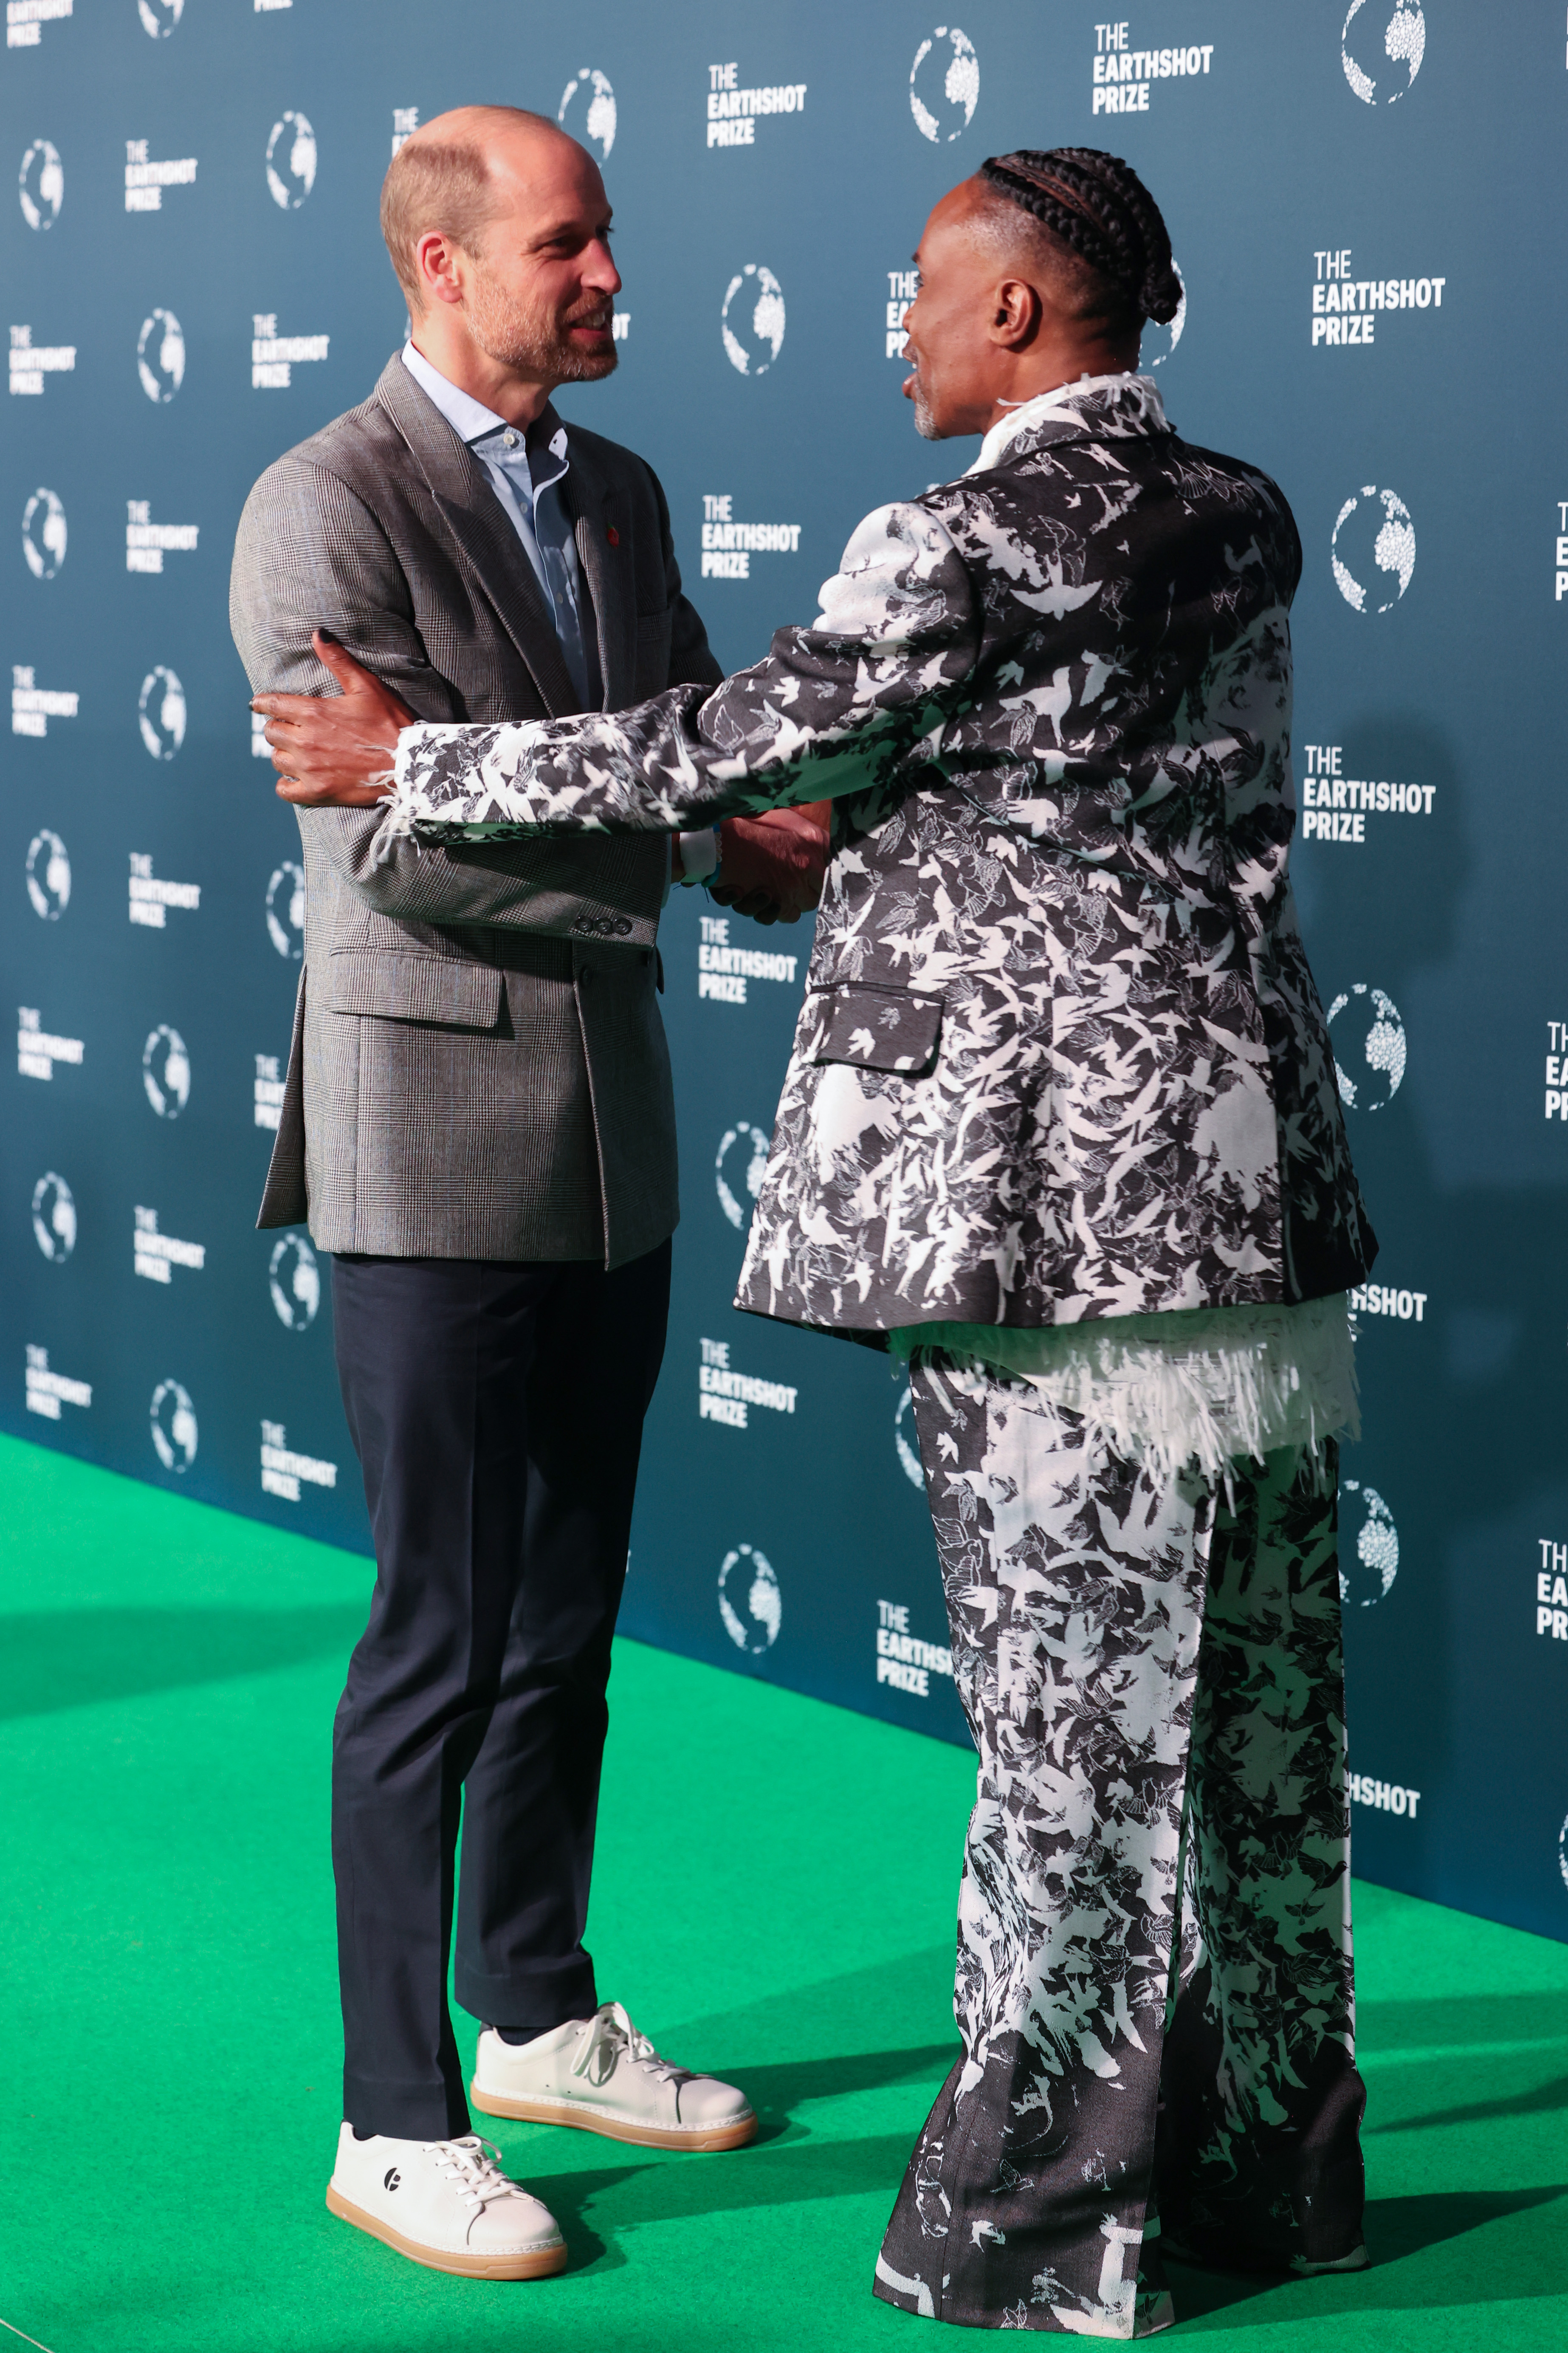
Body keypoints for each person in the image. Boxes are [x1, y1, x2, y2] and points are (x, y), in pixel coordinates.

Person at [254, 147, 1379, 2336]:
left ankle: (1043, 2223)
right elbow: (959, 790)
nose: (896, 324)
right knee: (1255, 1729)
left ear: (1026, 320)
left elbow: (731, 740)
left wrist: (419, 758)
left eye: (929, 294)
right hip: (1247, 1205)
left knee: (1066, 1741)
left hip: (1050, 1242)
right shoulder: (1241, 509)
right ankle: (1279, 2174)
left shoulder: (949, 539)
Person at [231, 106, 824, 2285]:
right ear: (440, 263)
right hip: (426, 1138)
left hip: (612, 1136)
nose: (604, 278)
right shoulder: (320, 505)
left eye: (603, 242)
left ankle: (542, 2009)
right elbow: (400, 846)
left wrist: (756, 833)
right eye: (566, 246)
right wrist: (681, 839)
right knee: (433, 1636)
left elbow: (682, 756)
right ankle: (390, 2116)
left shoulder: (625, 494)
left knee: (567, 1615)